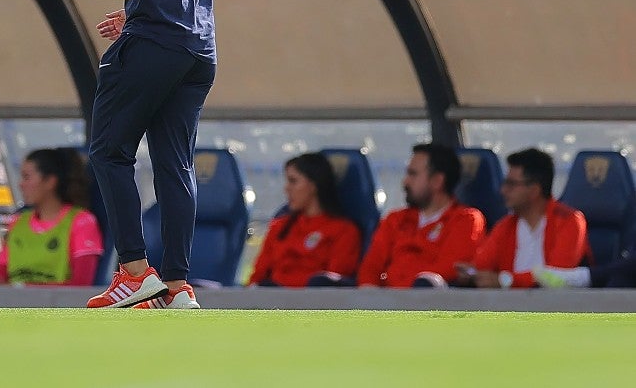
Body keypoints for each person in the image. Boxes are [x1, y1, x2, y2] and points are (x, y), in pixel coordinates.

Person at [7, 0, 216, 310]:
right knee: (174, 164)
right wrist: (133, 12)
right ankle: (178, 285)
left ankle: (135, 271)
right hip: (196, 51)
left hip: (153, 49)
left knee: (108, 151)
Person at [354, 143, 485, 288]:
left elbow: (449, 269)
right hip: (384, 304)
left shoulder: (465, 220)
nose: (405, 181)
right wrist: (369, 295)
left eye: (413, 174)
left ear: (437, 181)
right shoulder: (395, 219)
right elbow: (371, 267)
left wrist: (401, 293)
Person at [458, 148, 588, 289]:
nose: (503, 190)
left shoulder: (570, 221)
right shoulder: (505, 226)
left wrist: (506, 280)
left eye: (511, 184)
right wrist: (470, 274)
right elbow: (481, 265)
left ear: (534, 190)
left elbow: (558, 276)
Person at [0, 148, 103, 286]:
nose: (21, 184)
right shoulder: (17, 222)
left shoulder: (82, 222)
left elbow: (81, 285)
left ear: (50, 181)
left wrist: (25, 290)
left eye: (27, 177)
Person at [248, 153, 361, 288]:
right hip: (274, 303)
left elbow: (333, 284)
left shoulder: (344, 231)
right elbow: (258, 276)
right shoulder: (280, 227)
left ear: (313, 185)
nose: (286, 188)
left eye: (293, 181)